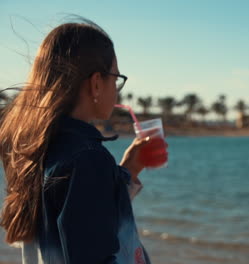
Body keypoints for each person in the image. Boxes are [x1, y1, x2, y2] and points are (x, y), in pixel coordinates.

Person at [0, 19, 168, 263]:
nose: (117, 88)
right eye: (116, 77)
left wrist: (129, 170)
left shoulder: (39, 147)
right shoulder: (86, 158)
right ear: (97, 83)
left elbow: (85, 216)